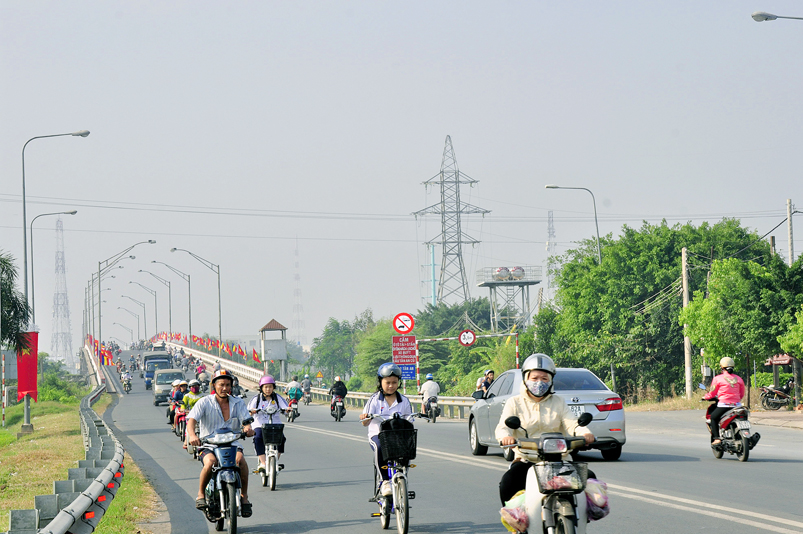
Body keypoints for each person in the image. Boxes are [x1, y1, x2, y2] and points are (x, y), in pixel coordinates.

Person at [496, 354, 595, 505]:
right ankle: (515, 518)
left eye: (544, 378)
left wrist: (586, 433)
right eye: (534, 378)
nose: (539, 382)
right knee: (508, 483)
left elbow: (572, 424)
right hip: (527, 460)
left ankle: (583, 516)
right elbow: (503, 427)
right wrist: (505, 437)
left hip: (560, 461)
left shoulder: (559, 402)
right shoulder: (514, 402)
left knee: (590, 480)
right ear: (525, 379)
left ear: (551, 381)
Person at [187, 369, 254, 517]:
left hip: (232, 443)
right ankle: (200, 494)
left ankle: (244, 497)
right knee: (210, 463)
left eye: (228, 385)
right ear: (214, 386)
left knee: (240, 461)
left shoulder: (238, 402)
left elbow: (246, 421)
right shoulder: (204, 402)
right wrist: (192, 435)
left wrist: (248, 428)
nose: (225, 388)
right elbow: (191, 420)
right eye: (221, 385)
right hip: (208, 444)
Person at [360, 363, 414, 497]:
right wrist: (365, 417)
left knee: (409, 446)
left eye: (394, 382)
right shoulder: (374, 400)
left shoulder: (404, 401)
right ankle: (385, 481)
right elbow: (365, 423)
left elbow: (409, 421)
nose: (391, 386)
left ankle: (402, 475)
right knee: (379, 447)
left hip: (397, 436)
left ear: (398, 382)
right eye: (387, 382)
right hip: (378, 435)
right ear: (381, 382)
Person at [247, 375, 289, 472]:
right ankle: (263, 462)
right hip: (260, 424)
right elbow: (248, 411)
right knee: (258, 438)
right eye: (266, 387)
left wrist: (288, 409)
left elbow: (285, 408)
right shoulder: (256, 399)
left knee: (282, 439)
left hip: (275, 423)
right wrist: (252, 411)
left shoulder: (277, 398)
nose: (268, 389)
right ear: (261, 388)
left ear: (273, 387)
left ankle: (276, 461)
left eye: (270, 387)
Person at [704, 356, 746, 446]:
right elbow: (742, 394)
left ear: (722, 367)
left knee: (713, 418)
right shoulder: (739, 379)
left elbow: (712, 393)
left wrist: (706, 397)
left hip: (724, 405)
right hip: (737, 406)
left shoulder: (717, 378)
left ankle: (717, 439)